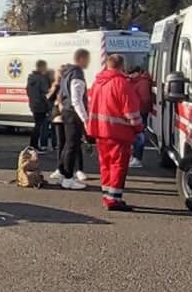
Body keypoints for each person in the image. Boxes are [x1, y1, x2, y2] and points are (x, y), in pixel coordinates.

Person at [86, 53, 145, 211]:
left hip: (100, 131)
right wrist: (139, 128)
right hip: (118, 132)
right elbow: (131, 111)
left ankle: (107, 195)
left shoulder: (98, 82)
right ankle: (114, 199)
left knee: (105, 164)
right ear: (121, 66)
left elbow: (91, 105)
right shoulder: (122, 83)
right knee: (118, 165)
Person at [54, 48, 92, 190]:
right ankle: (68, 178)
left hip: (67, 112)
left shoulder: (67, 73)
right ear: (81, 58)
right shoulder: (77, 74)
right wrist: (85, 118)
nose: (89, 62)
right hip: (73, 113)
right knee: (72, 146)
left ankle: (63, 174)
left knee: (67, 145)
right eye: (87, 59)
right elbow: (77, 99)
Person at [126, 64, 154, 169]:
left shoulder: (142, 83)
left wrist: (138, 109)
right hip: (135, 112)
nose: (130, 76)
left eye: (132, 74)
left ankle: (137, 158)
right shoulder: (134, 82)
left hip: (140, 112)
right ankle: (134, 157)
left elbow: (145, 100)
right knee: (135, 136)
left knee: (139, 136)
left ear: (137, 73)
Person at [25, 60, 54, 152]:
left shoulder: (31, 78)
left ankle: (33, 145)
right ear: (41, 67)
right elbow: (45, 94)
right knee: (39, 126)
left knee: (38, 125)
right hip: (41, 106)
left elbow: (29, 92)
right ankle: (34, 146)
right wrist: (49, 106)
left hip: (34, 105)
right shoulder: (41, 79)